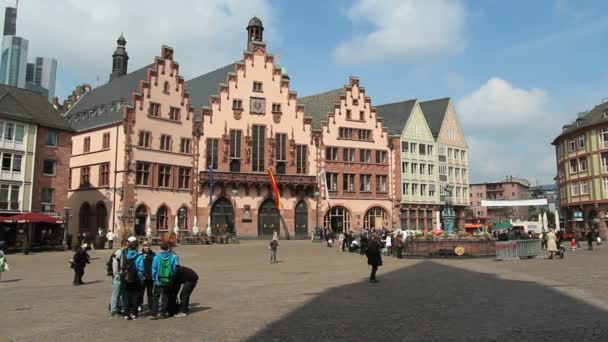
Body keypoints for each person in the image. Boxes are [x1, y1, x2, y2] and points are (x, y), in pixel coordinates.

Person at [151, 241, 179, 320]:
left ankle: (154, 314)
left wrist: (154, 278)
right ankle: (163, 313)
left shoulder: (156, 257)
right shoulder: (172, 257)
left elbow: (154, 269)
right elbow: (175, 268)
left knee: (156, 297)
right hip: (168, 280)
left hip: (158, 280)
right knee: (166, 296)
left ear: (160, 248)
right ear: (168, 249)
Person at [122, 238, 142, 320]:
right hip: (135, 279)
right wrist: (141, 278)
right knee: (135, 296)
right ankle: (134, 313)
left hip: (126, 279)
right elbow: (141, 269)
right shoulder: (139, 257)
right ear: (137, 247)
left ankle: (126, 314)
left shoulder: (126, 255)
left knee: (126, 296)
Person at [110, 239, 129, 318]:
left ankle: (118, 308)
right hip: (118, 276)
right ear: (124, 245)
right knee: (116, 293)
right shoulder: (118, 253)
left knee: (120, 293)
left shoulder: (125, 252)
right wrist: (116, 275)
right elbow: (115, 265)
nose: (129, 247)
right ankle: (113, 310)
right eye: (128, 245)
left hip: (122, 275)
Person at [137, 241, 156, 313]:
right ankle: (139, 306)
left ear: (150, 246)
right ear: (143, 246)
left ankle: (151, 306)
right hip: (142, 277)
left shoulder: (153, 255)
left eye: (147, 245)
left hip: (151, 277)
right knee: (140, 293)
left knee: (150, 293)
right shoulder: (140, 255)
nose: (146, 247)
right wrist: (140, 275)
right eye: (145, 245)